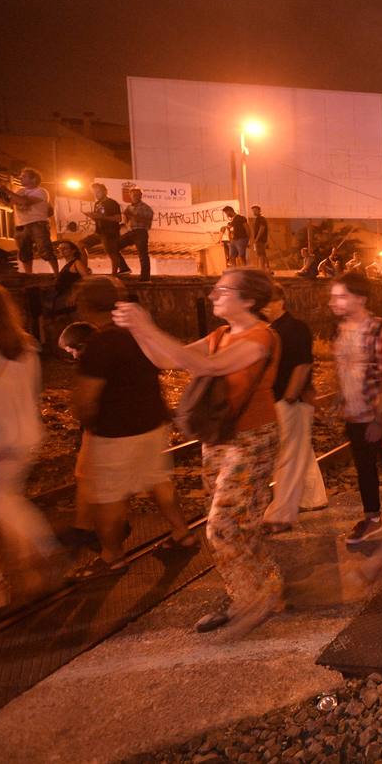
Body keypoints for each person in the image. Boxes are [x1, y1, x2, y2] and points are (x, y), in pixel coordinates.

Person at [113, 268, 283, 635]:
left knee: (222, 527)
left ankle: (251, 603)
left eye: (222, 290)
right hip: (219, 436)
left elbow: (205, 366)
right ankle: (257, 592)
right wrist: (139, 329)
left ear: (249, 300)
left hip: (252, 439)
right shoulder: (221, 334)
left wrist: (147, 324)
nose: (213, 295)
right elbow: (167, 360)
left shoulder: (261, 337)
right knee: (243, 524)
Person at [67, 278, 197, 579]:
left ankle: (112, 556)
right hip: (152, 423)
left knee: (110, 496)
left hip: (115, 431)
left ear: (86, 307)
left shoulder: (99, 344)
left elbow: (87, 397)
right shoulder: (139, 335)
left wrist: (87, 425)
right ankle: (182, 532)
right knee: (159, 481)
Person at [0, 279, 59, 612]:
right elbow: (33, 393)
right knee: (6, 499)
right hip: (22, 438)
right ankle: (43, 550)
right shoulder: (26, 346)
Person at [262, 284, 328, 531]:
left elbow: (303, 364)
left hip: (290, 400)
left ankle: (280, 515)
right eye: (262, 303)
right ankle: (314, 498)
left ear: (281, 301)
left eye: (269, 301)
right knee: (300, 452)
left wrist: (290, 396)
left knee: (287, 457)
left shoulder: (295, 328)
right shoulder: (270, 329)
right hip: (285, 399)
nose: (265, 307)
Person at [329, 270, 382, 544]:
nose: (334, 302)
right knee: (365, 467)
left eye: (341, 296)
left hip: (377, 414)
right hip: (353, 413)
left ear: (360, 299)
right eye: (333, 296)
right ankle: (372, 518)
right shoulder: (340, 329)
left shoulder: (378, 329)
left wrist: (379, 419)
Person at [0, 168, 59, 275]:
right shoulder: (21, 191)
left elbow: (25, 201)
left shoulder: (41, 191)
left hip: (37, 223)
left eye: (24, 176)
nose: (20, 178)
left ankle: (57, 274)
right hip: (21, 225)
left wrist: (7, 191)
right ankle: (29, 275)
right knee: (24, 253)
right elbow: (9, 203)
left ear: (34, 179)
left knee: (45, 250)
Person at [25, 239, 90, 346]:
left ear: (73, 251)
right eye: (60, 249)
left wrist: (75, 294)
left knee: (75, 327)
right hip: (61, 298)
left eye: (65, 248)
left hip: (70, 300)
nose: (62, 250)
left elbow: (86, 278)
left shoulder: (76, 263)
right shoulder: (67, 265)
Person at [88, 182, 130, 276]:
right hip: (98, 231)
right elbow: (99, 217)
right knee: (81, 244)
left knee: (111, 251)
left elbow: (118, 218)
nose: (96, 194)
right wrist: (93, 216)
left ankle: (114, 274)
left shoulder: (112, 203)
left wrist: (102, 217)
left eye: (98, 192)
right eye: (94, 192)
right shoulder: (97, 204)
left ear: (105, 191)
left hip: (110, 232)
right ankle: (124, 268)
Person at [117, 188, 154, 280]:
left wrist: (133, 216)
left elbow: (147, 221)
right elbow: (125, 220)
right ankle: (124, 268)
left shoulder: (146, 207)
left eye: (137, 195)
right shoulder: (129, 207)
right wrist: (125, 218)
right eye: (133, 195)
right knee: (113, 247)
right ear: (130, 196)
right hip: (131, 232)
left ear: (141, 196)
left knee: (143, 255)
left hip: (141, 232)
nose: (135, 197)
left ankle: (145, 278)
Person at [249, 206, 270, 272]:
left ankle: (262, 269)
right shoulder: (257, 219)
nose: (254, 212)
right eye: (253, 211)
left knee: (260, 254)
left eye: (255, 210)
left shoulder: (261, 218)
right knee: (263, 254)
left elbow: (262, 228)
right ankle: (267, 268)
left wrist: (257, 239)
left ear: (259, 210)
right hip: (260, 239)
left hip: (260, 240)